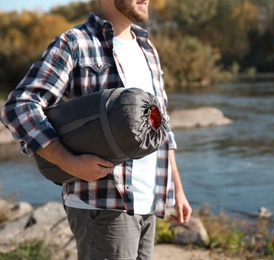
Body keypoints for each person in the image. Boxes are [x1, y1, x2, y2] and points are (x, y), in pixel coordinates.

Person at [1, 0, 192, 259]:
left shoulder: (148, 50)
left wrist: (177, 190)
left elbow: (161, 128)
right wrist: (68, 161)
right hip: (102, 206)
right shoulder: (75, 43)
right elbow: (19, 107)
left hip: (148, 203)